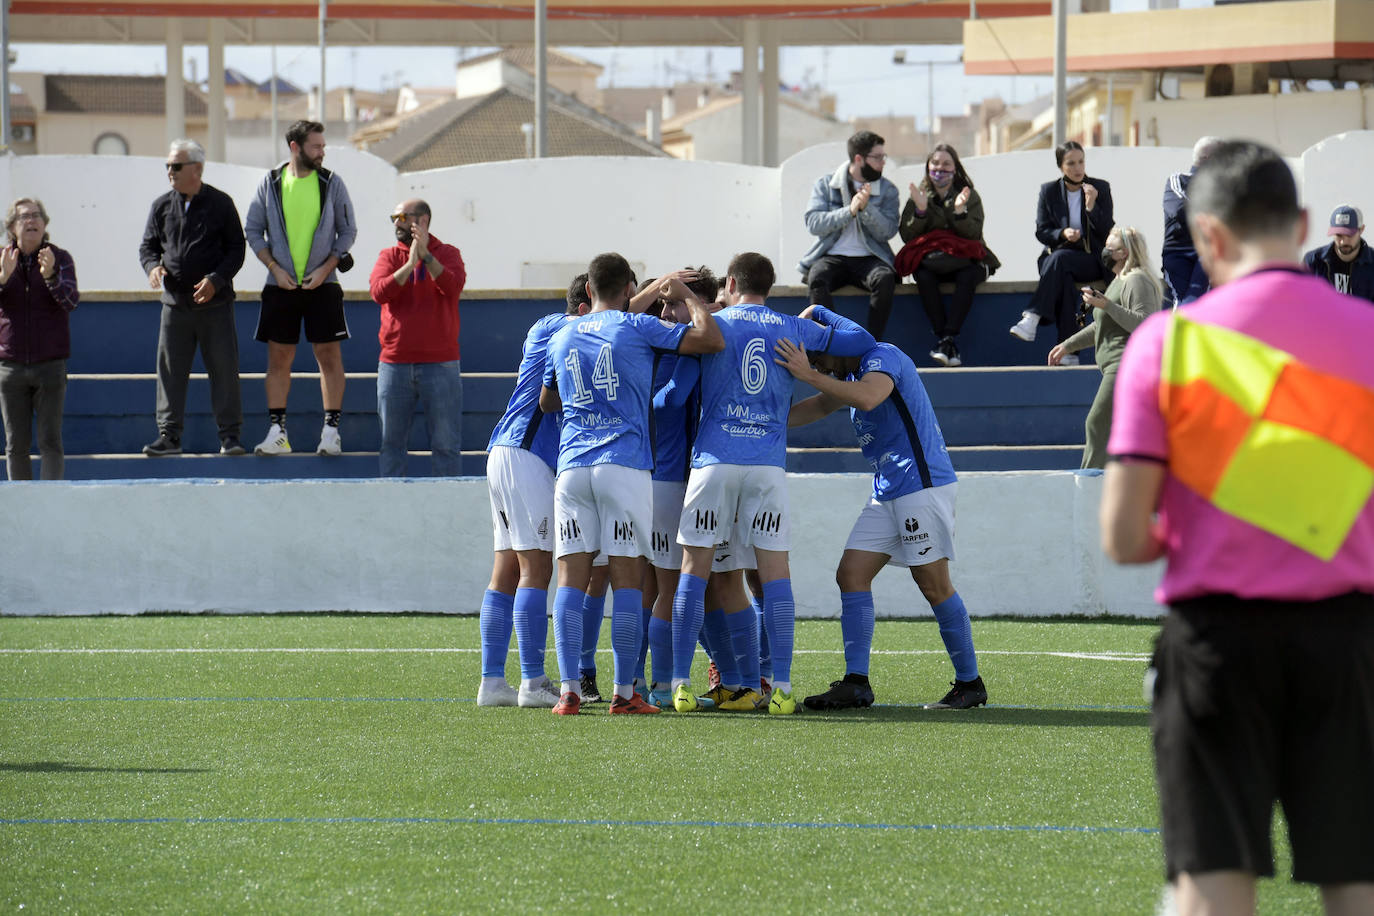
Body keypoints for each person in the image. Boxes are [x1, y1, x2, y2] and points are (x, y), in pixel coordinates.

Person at [1101, 141, 1374, 916]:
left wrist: (1208, 526)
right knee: (1357, 880)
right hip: (1349, 638)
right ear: (1305, 224)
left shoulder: (1168, 343)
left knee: (1213, 883)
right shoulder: (1369, 336)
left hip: (1217, 641)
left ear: (1209, 238)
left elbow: (1124, 537)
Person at [669, 252, 876, 716]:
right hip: (766, 466)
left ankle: (681, 684)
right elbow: (862, 340)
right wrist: (818, 314)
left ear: (732, 282)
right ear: (770, 286)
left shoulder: (716, 323)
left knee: (693, 570)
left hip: (715, 460)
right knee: (775, 575)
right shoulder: (791, 327)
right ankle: (780, 688)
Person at [539, 253, 724, 716]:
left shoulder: (562, 335)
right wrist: (683, 296)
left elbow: (547, 401)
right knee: (627, 581)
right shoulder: (636, 327)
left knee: (570, 582)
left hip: (572, 468)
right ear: (627, 291)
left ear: (587, 292)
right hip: (623, 465)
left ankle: (569, 691)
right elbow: (710, 338)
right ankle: (624, 693)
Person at [777, 312, 985, 711]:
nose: (819, 366)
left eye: (821, 358)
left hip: (920, 486)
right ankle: (856, 683)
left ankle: (969, 683)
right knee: (851, 574)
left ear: (837, 348)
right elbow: (821, 405)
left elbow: (871, 396)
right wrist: (767, 422)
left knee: (933, 585)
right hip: (889, 489)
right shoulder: (848, 373)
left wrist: (808, 373)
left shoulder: (881, 356)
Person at [476, 274, 591, 708]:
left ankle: (492, 682)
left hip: (505, 452)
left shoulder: (542, 326)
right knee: (536, 568)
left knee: (505, 568)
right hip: (527, 456)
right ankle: (532, 681)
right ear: (586, 308)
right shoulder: (564, 327)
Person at [244, 119, 357, 457]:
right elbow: (252, 230)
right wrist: (275, 269)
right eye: (316, 146)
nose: (322, 152)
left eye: (322, 146)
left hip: (324, 285)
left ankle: (330, 433)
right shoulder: (271, 182)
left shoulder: (332, 183)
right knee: (279, 359)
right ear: (295, 147)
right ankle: (278, 433)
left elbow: (348, 231)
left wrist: (326, 268)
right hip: (280, 287)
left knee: (329, 357)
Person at [138, 139, 247, 457]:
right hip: (175, 305)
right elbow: (148, 247)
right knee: (170, 372)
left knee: (224, 370)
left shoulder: (221, 203)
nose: (169, 171)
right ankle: (169, 437)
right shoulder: (161, 206)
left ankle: (230, 437)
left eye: (175, 166)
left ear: (196, 169)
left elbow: (236, 249)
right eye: (168, 166)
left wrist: (217, 279)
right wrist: (152, 267)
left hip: (215, 306)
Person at [367, 198, 466, 477]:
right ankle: (392, 508)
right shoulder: (389, 256)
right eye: (394, 218)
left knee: (446, 445)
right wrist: (410, 264)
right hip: (394, 364)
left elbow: (453, 286)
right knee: (391, 444)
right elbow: (379, 293)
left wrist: (427, 258)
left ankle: (447, 513)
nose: (396, 223)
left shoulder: (447, 253)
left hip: (441, 364)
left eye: (402, 217)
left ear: (422, 221)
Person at [1048, 226, 1162, 469]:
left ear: (1124, 253)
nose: (1105, 253)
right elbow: (1100, 326)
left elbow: (1146, 323)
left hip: (1127, 366)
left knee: (1097, 423)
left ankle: (1088, 481)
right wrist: (1068, 345)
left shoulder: (1137, 279)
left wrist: (1108, 305)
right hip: (1114, 365)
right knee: (1119, 431)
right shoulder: (1117, 282)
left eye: (1110, 248)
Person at [894, 143, 1000, 367]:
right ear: (928, 166)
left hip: (966, 263)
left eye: (946, 164)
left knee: (968, 275)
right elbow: (906, 235)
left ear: (955, 168)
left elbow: (974, 234)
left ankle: (946, 338)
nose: (939, 169)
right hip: (934, 266)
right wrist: (921, 211)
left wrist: (960, 212)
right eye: (935, 164)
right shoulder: (919, 196)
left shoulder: (968, 196)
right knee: (922, 275)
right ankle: (947, 340)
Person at [0, 198, 78, 480]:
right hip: (10, 366)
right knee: (15, 445)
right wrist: (3, 278)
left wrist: (51, 276)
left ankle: (51, 507)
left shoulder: (60, 258)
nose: (31, 221)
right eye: (23, 217)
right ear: (11, 227)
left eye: (36, 216)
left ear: (45, 224)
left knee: (50, 442)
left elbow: (70, 302)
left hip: (50, 365)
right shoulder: (2, 258)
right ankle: (22, 511)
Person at [1012, 140, 1114, 354]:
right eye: (1071, 163)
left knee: (1059, 261)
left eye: (1081, 162)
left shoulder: (1100, 188)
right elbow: (1042, 231)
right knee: (1064, 277)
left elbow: (1106, 231)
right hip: (1062, 259)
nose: (1078, 168)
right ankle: (1068, 353)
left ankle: (1032, 316)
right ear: (1061, 166)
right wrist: (1062, 233)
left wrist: (1091, 206)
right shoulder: (1048, 191)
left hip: (1092, 259)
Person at [799, 130, 901, 340]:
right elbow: (813, 224)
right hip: (832, 256)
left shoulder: (888, 190)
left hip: (870, 259)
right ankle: (836, 342)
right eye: (878, 157)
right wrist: (850, 211)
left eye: (884, 157)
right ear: (858, 158)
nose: (883, 162)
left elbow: (888, 231)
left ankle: (871, 345)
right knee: (816, 277)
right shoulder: (826, 185)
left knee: (885, 278)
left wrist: (866, 209)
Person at [1161, 136, 1222, 308]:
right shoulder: (1178, 179)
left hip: (1208, 251)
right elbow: (1178, 209)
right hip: (1180, 252)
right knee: (1185, 304)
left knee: (1198, 304)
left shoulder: (1223, 186)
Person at [1303, 205, 1374, 302]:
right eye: (1339, 235)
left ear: (1361, 229)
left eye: (1349, 235)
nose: (1343, 242)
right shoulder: (1314, 261)